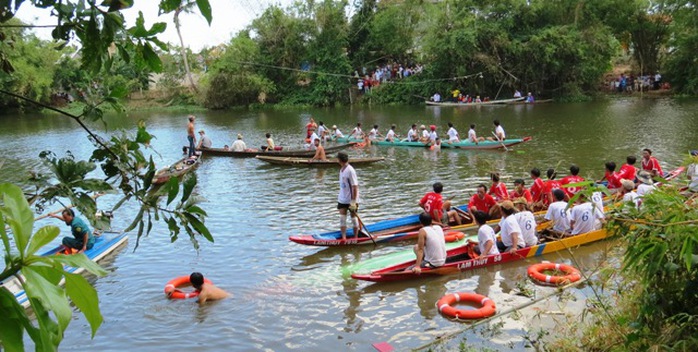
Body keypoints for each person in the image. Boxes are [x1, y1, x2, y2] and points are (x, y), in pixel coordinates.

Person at [337, 152, 360, 240]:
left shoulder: (350, 170)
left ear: (339, 160)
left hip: (351, 199)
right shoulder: (341, 169)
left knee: (353, 218)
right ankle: (344, 238)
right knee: (342, 218)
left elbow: (355, 186)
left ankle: (356, 237)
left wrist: (353, 201)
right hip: (342, 198)